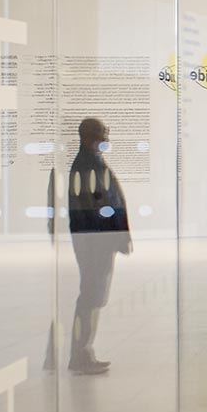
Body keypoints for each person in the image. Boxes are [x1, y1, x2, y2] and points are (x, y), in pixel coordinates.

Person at [63, 117, 131, 376]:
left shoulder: (92, 162)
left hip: (99, 239)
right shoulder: (86, 165)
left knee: (93, 296)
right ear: (89, 137)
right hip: (94, 241)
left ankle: (83, 352)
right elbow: (97, 206)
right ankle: (80, 354)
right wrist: (113, 234)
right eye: (102, 134)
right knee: (90, 296)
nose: (106, 138)